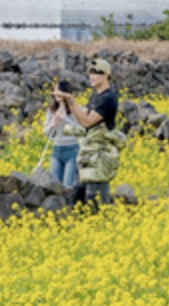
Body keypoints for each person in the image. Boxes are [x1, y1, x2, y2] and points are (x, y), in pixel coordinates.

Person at [55, 58, 123, 204]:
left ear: (106, 75)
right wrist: (66, 102)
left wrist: (71, 100)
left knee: (95, 199)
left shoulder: (109, 98)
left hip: (99, 157)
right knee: (78, 197)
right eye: (90, 72)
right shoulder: (95, 97)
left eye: (96, 72)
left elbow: (87, 121)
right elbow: (81, 118)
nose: (92, 76)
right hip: (87, 155)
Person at [42, 78, 82, 188]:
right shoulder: (51, 110)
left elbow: (81, 130)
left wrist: (65, 119)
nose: (55, 93)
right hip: (56, 151)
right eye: (54, 90)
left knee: (67, 186)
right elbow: (46, 133)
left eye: (58, 90)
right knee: (54, 186)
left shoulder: (76, 109)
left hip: (72, 151)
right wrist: (52, 124)